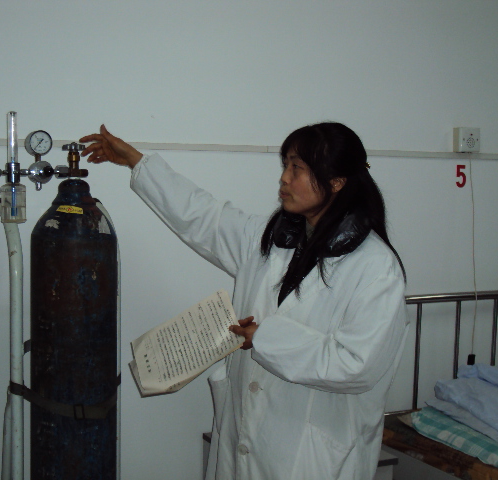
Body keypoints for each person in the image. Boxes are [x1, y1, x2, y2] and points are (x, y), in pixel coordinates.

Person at [80, 122, 408, 480]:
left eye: (297, 168)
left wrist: (265, 338)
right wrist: (136, 161)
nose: (284, 178)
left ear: (336, 182)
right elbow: (203, 216)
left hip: (311, 456)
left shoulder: (376, 267)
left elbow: (357, 365)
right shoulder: (274, 239)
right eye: (286, 165)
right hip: (248, 434)